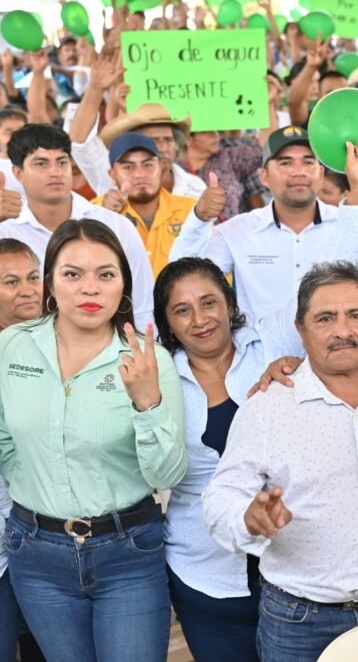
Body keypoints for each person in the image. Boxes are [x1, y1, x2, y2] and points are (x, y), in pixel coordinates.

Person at [203, 262, 358, 662]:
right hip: (300, 622)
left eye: (356, 315)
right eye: (325, 318)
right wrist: (248, 519)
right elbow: (220, 498)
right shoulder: (268, 408)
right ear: (301, 329)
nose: (342, 331)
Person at [0, 218, 185, 662]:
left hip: (128, 552)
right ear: (49, 283)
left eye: (106, 274)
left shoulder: (147, 358)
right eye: (72, 274)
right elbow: (6, 443)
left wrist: (147, 403)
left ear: (123, 285)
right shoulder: (12, 347)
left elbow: (167, 473)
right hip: (36, 552)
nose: (90, 288)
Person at [154, 258, 296, 662]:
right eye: (182, 310)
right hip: (203, 576)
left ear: (230, 305)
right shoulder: (159, 377)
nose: (200, 319)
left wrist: (300, 370)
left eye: (209, 303)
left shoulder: (270, 346)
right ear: (169, 323)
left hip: (290, 569)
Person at [168, 128, 358, 365]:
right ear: (264, 177)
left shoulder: (350, 227)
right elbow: (181, 278)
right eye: (285, 163)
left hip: (341, 366)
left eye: (308, 162)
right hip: (260, 374)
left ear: (321, 173)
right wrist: (199, 219)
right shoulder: (236, 232)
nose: (298, 172)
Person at [0, 123, 155, 328]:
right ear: (18, 173)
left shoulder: (116, 226)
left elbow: (142, 309)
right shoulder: (5, 231)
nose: (55, 172)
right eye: (41, 164)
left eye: (62, 162)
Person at [69, 54, 207, 201]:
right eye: (153, 140)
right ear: (131, 143)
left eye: (168, 140)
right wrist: (95, 88)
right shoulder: (112, 175)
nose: (163, 147)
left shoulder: (195, 186)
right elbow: (79, 141)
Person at [92, 133, 225, 277]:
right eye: (128, 167)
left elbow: (215, 269)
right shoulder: (95, 211)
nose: (140, 174)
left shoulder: (192, 212)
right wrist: (104, 218)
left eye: (148, 165)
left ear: (161, 166)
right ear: (111, 174)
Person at [0, 239, 40, 661]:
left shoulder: (59, 344)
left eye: (32, 277)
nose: (27, 289)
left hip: (48, 541)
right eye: (12, 282)